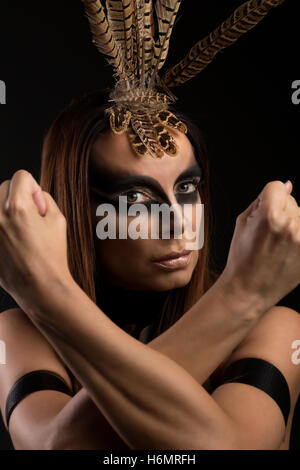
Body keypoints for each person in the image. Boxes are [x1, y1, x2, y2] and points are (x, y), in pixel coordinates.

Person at [0, 88, 299, 450]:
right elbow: (56, 447)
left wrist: (44, 291)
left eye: (187, 186)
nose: (177, 223)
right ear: (76, 208)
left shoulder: (279, 328)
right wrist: (244, 294)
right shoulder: (16, 335)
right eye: (136, 198)